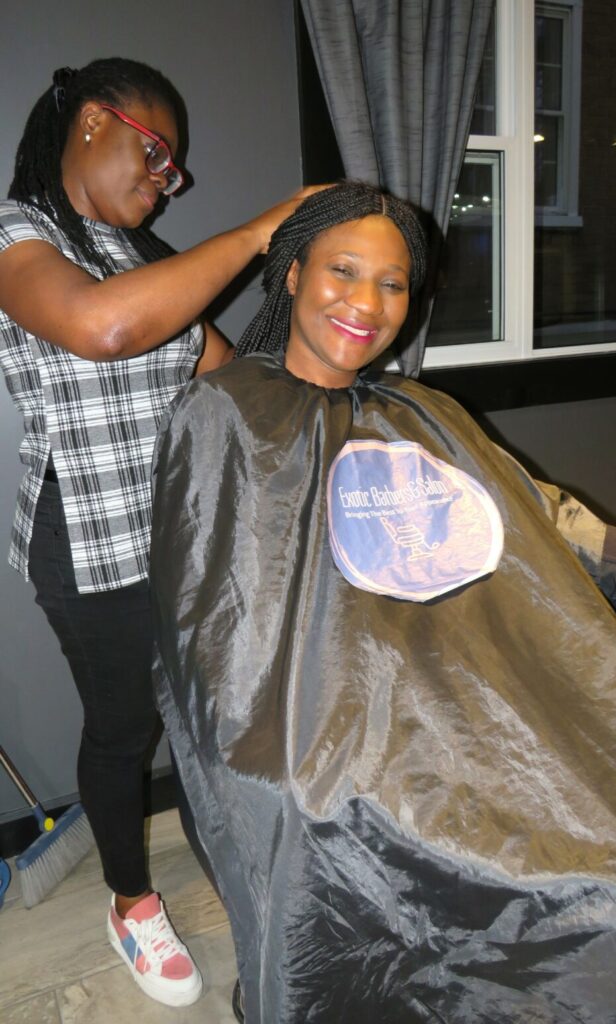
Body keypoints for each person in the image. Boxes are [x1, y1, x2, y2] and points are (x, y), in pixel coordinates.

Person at [151, 183, 616, 1023]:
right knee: (599, 898)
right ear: (293, 274)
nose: (367, 303)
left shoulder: (425, 410)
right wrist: (279, 754)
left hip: (478, 703)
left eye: (392, 284)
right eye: (343, 271)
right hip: (327, 734)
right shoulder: (226, 411)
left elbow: (547, 524)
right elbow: (209, 620)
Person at [0, 57, 319, 1009]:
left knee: (209, 708)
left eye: (170, 169)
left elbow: (227, 372)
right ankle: (131, 902)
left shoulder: (144, 259)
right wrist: (259, 231)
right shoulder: (17, 236)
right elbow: (101, 329)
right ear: (94, 122)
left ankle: (236, 849)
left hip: (179, 528)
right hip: (87, 538)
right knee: (124, 726)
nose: (166, 181)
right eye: (157, 156)